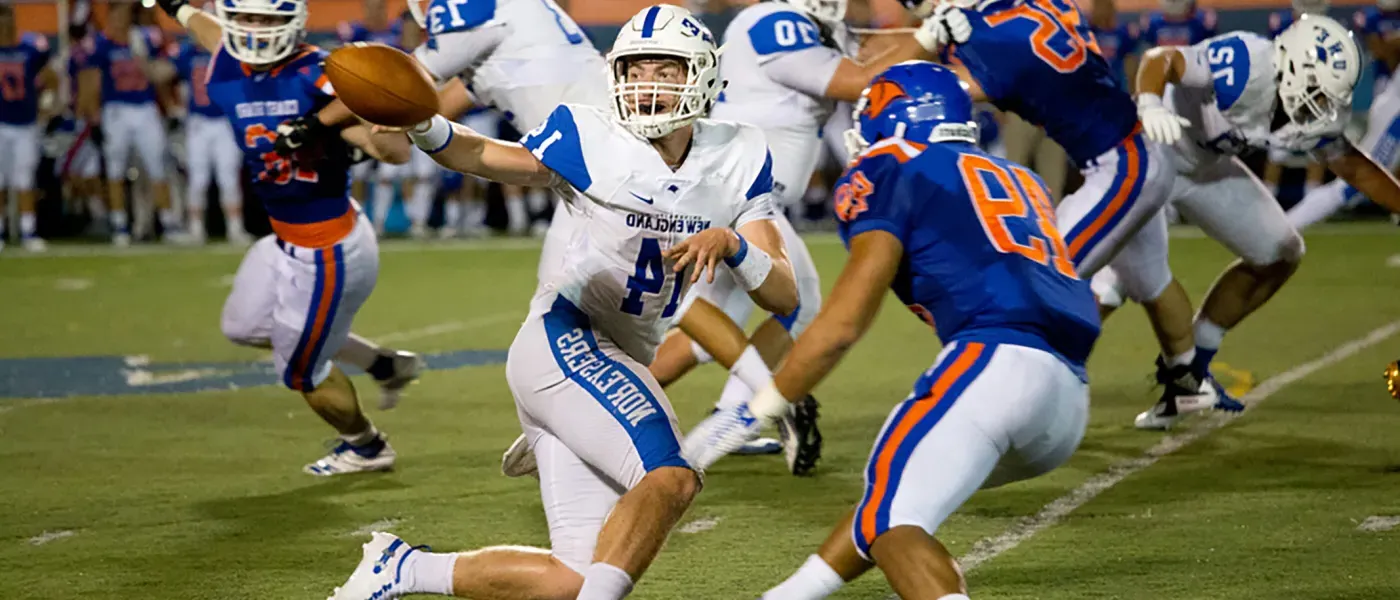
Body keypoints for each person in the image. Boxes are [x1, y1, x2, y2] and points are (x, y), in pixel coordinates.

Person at [326, 6, 798, 599]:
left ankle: (402, 568)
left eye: (667, 67)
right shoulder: (589, 132)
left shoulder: (740, 153)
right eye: (636, 66)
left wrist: (731, 244)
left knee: (572, 579)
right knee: (671, 477)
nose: (648, 80)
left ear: (702, 75)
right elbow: (483, 155)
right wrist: (425, 126)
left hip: (621, 357)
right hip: (565, 339)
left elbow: (783, 292)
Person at [698, 61, 1100, 600]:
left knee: (895, 519)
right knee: (891, 504)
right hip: (1067, 397)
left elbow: (843, 322)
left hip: (994, 365)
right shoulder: (1020, 178)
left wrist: (766, 403)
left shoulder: (893, 162)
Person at [649, 0, 931, 471]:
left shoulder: (809, 30)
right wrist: (933, 35)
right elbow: (860, 80)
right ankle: (743, 411)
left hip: (743, 193)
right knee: (795, 303)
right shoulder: (774, 22)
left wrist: (930, 30)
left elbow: (870, 53)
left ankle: (638, 408)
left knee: (714, 327)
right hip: (736, 191)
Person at [154, 0, 427, 475]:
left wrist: (380, 119)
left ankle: (366, 446)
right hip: (283, 238)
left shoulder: (321, 75)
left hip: (328, 247)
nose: (256, 31)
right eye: (248, 19)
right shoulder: (223, 55)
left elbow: (395, 151)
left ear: (293, 22)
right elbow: (194, 19)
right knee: (246, 326)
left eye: (268, 20)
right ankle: (384, 364)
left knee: (302, 370)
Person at [1093, 15, 1400, 428]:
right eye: (1318, 92)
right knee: (1114, 282)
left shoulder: (1307, 111)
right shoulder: (1245, 62)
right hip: (1151, 153)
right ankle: (1040, 368)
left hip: (1204, 166)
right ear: (1291, 68)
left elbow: (1355, 168)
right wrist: (1148, 103)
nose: (1324, 106)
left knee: (1279, 251)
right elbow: (1162, 58)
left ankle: (1191, 377)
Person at [75, 1, 176, 245]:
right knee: (115, 170)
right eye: (117, 15)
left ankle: (169, 223)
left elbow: (166, 73)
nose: (120, 20)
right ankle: (119, 224)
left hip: (144, 107)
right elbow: (92, 80)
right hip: (116, 110)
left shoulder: (146, 38)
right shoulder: (101, 44)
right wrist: (93, 113)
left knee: (157, 166)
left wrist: (169, 105)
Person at [167, 29, 250, 244]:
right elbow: (166, 74)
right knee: (198, 178)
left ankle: (235, 227)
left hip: (224, 122)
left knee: (228, 177)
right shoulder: (187, 53)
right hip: (198, 122)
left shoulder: (230, 54)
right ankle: (195, 229)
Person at [0, 5, 57, 252]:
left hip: (25, 122)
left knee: (25, 179)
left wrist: (47, 105)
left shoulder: (31, 47)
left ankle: (27, 230)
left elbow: (51, 77)